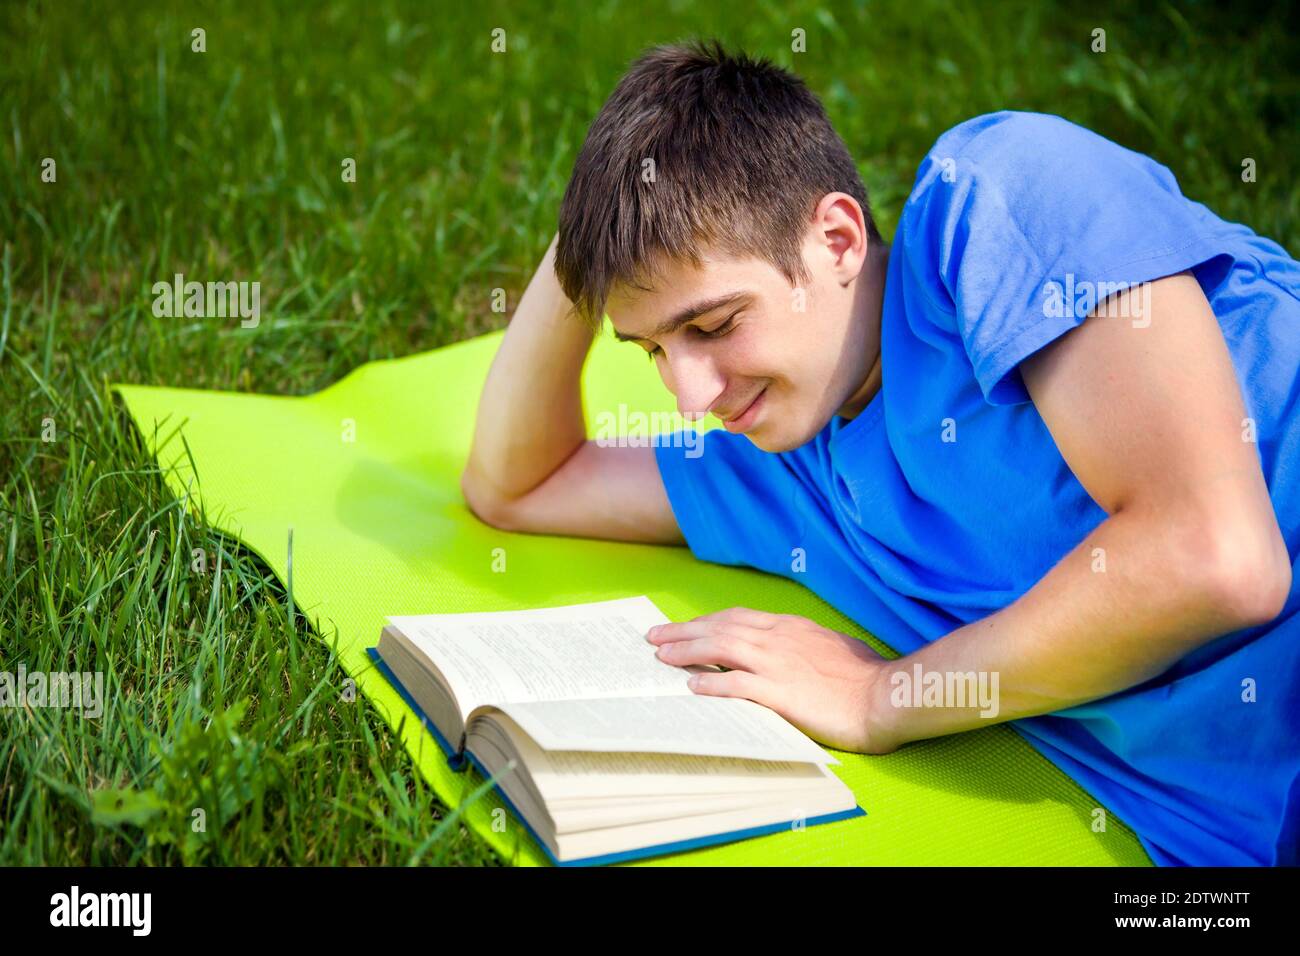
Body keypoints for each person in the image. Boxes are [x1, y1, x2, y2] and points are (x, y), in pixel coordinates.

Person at [459, 39, 1299, 866]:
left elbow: (1216, 557)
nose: (690, 396)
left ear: (836, 240)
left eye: (712, 325)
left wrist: (881, 694)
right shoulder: (788, 475)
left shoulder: (997, 195)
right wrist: (590, 230)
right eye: (650, 350)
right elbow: (520, 484)